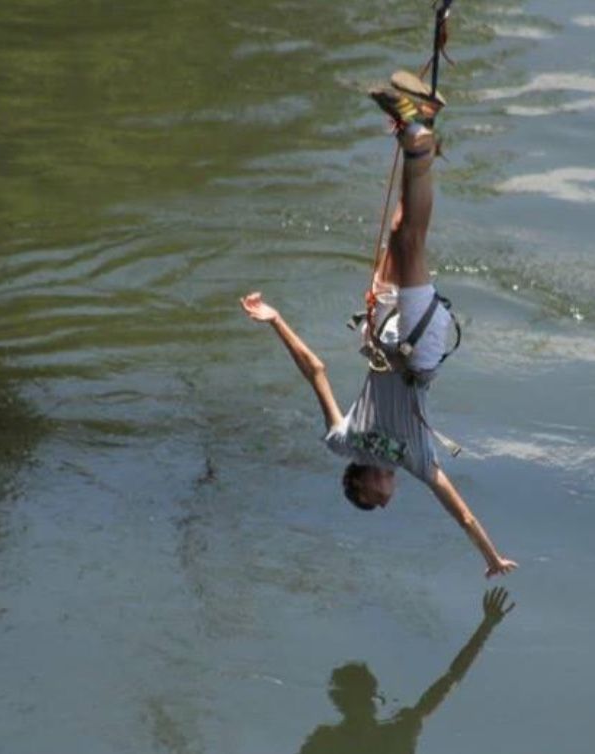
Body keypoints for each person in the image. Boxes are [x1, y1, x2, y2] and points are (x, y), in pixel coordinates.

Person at [241, 73, 516, 578]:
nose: (386, 504)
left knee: (398, 232)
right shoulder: (416, 460)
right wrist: (491, 557)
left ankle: (420, 129)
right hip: (417, 349)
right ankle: (418, 141)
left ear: (361, 486)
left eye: (373, 502)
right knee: (412, 242)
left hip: (385, 329)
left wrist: (276, 320)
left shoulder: (342, 443)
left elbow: (315, 370)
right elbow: (462, 513)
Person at [298, 587, 516, 754]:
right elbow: (451, 680)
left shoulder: (328, 740)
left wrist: (486, 627)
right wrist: (486, 627)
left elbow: (450, 680)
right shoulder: (396, 730)